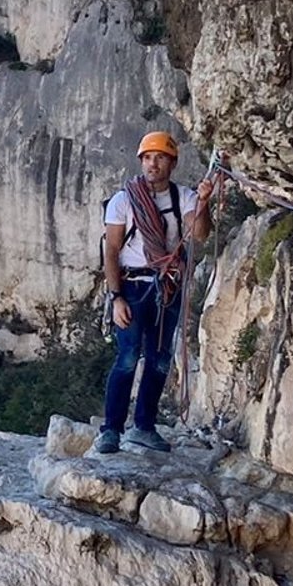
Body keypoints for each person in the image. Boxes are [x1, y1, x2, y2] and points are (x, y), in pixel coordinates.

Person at [95, 130, 221, 455]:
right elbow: (111, 250)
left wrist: (204, 202)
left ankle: (144, 427)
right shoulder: (125, 200)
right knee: (127, 357)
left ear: (172, 163)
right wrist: (115, 296)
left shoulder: (184, 198)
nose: (153, 164)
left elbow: (200, 233)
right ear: (142, 161)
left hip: (168, 287)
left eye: (160, 158)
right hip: (133, 286)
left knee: (159, 360)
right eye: (148, 158)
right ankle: (111, 430)